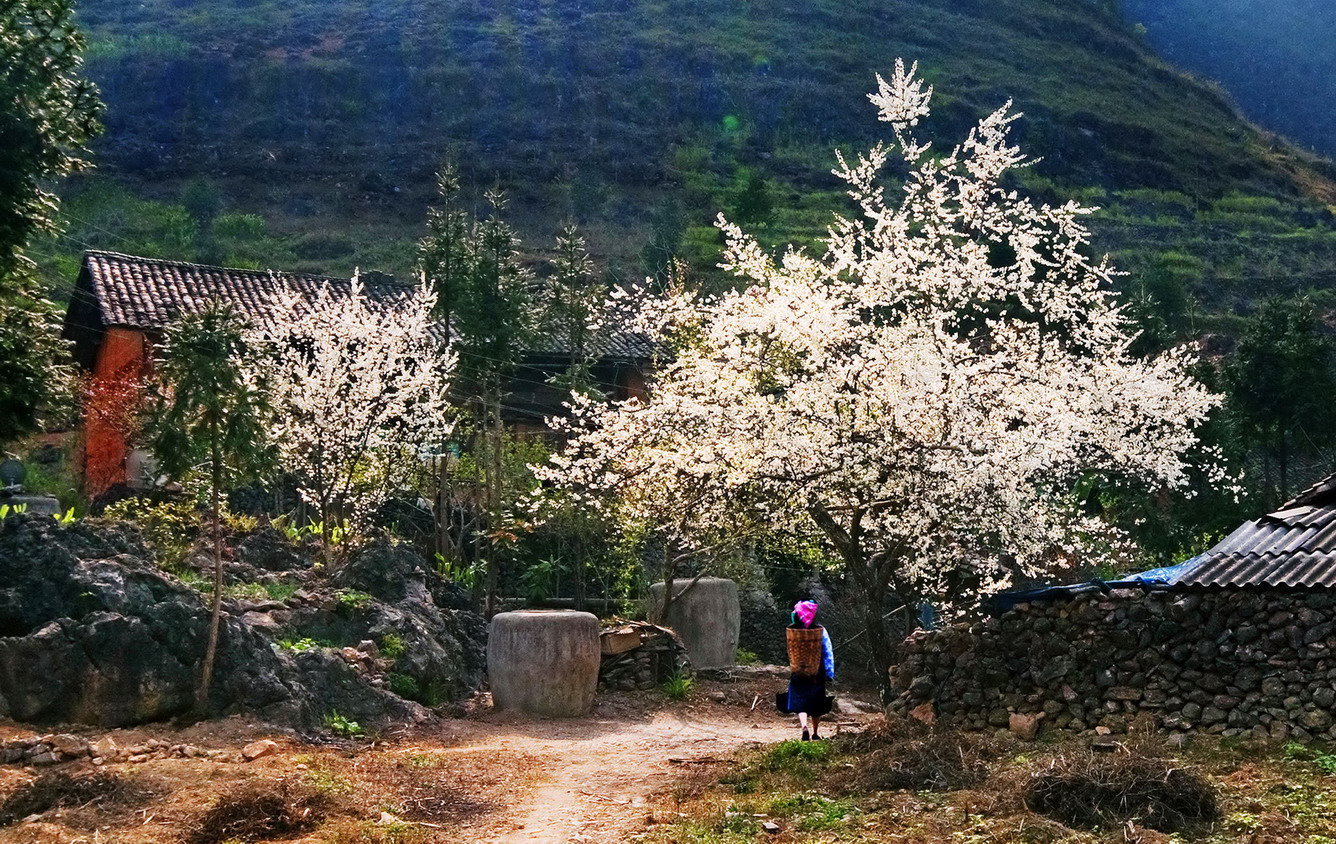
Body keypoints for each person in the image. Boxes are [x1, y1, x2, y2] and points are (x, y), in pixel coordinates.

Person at [784, 600, 834, 741]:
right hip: (817, 672)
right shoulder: (820, 630)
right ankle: (816, 733)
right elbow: (828, 651)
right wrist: (830, 672)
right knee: (817, 702)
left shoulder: (793, 630)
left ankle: (804, 726)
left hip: (799, 670)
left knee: (800, 700)